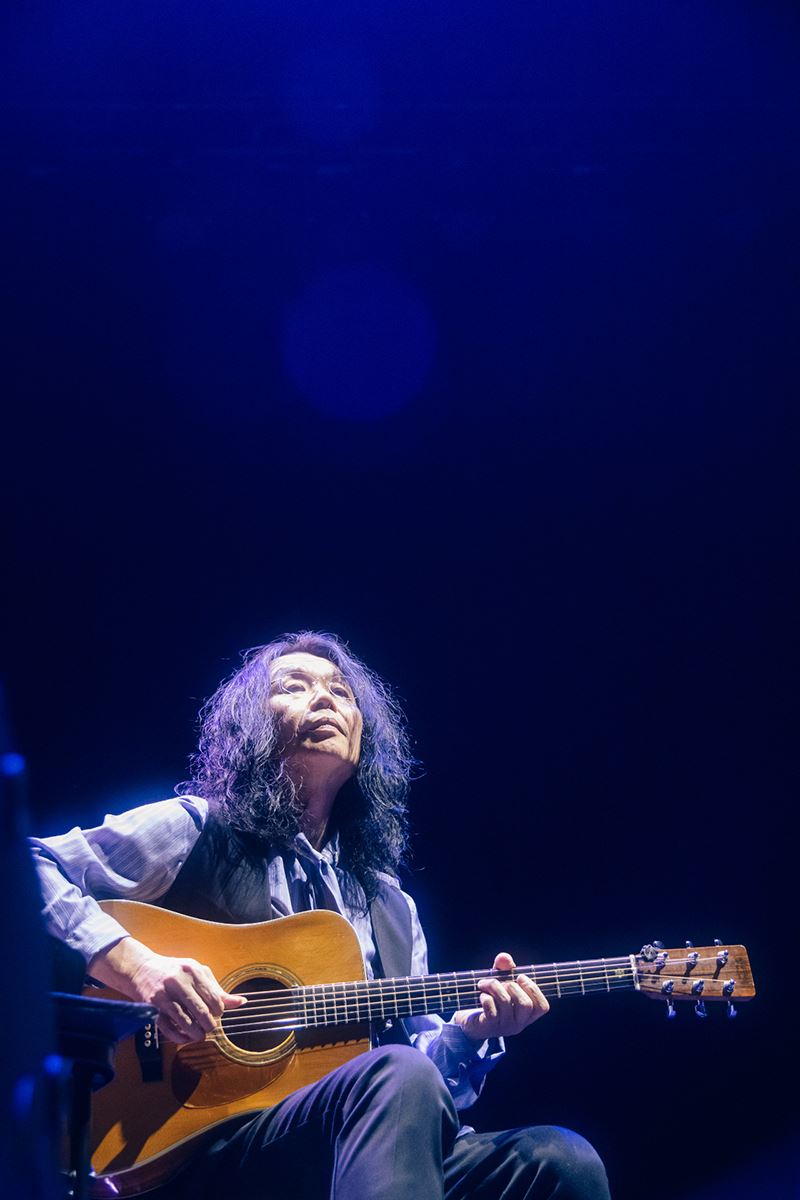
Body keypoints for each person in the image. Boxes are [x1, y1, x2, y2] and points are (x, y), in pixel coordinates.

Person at [30, 630, 611, 1199]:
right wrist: (138, 967)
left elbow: (421, 1088)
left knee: (560, 1161)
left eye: (340, 691)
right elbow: (24, 869)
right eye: (295, 686)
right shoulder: (196, 829)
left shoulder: (390, 907)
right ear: (251, 724)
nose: (325, 698)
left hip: (353, 1149)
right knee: (395, 1075)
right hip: (205, 1150)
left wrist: (472, 1033)